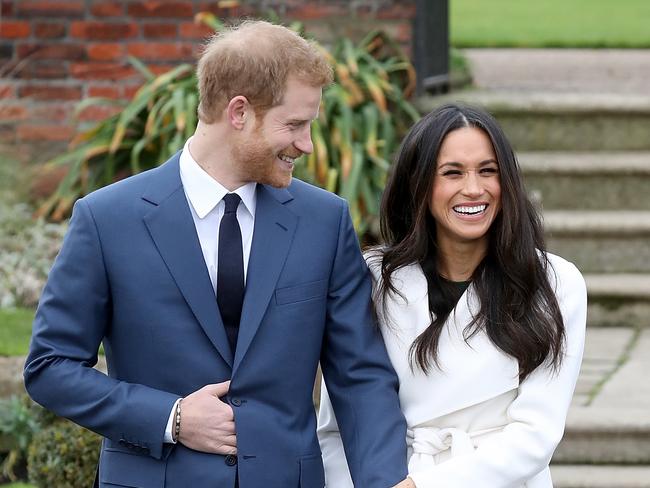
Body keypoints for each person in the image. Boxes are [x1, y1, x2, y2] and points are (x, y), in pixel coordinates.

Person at [24, 20, 408, 488]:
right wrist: (173, 416)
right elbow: (50, 366)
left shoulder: (323, 221)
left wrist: (388, 480)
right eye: (294, 125)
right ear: (239, 111)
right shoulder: (107, 219)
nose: (306, 144)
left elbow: (360, 374)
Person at [318, 103, 587, 488]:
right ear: (420, 184)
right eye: (452, 173)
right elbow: (339, 423)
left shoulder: (555, 283)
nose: (474, 189)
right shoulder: (372, 278)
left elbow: (536, 434)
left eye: (488, 171)